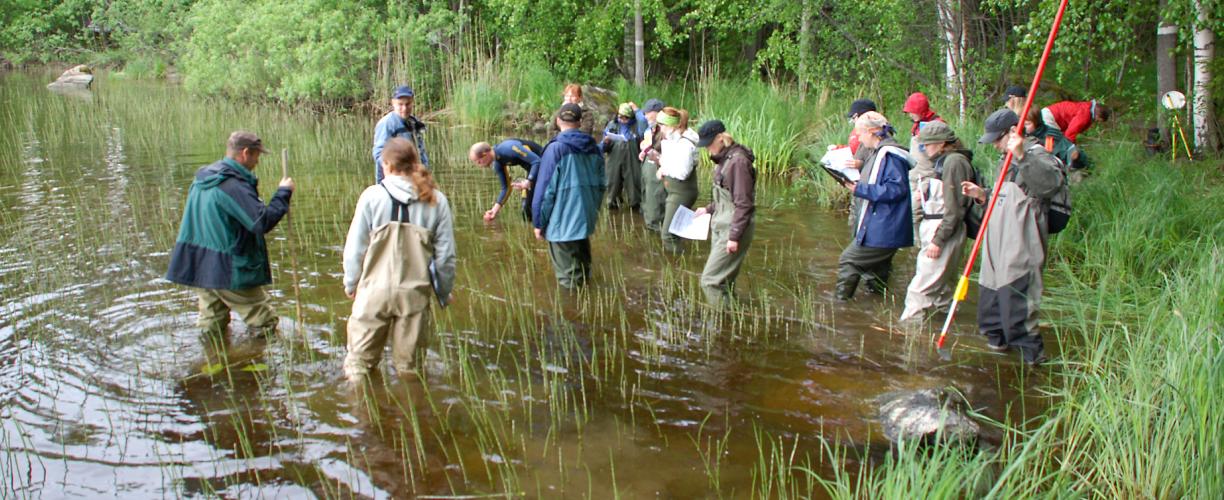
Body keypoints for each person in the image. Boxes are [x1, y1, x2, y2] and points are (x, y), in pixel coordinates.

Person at [343, 137, 455, 380]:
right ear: (415, 162)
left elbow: (354, 248)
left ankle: (362, 414)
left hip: (373, 292)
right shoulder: (436, 200)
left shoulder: (372, 196)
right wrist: (443, 293)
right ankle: (411, 413)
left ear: (386, 165)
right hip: (413, 296)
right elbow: (446, 258)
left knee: (358, 365)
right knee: (410, 370)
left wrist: (351, 283)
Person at [166, 131, 295, 337]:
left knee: (212, 324)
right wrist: (283, 193)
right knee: (264, 321)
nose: (257, 162)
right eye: (256, 156)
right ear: (245, 153)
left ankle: (212, 362)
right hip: (226, 268)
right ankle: (259, 363)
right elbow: (261, 222)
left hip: (201, 265)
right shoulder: (231, 185)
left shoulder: (205, 178)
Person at [960, 109, 1064, 365]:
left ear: (1012, 133)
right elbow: (1002, 197)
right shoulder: (1003, 161)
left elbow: (1050, 184)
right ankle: (998, 355)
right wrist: (982, 194)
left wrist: (1021, 155)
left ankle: (1033, 365)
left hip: (1022, 239)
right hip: (996, 239)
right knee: (991, 308)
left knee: (1017, 306)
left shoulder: (1037, 154)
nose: (995, 144)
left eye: (998, 139)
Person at [899, 122, 975, 322]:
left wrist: (938, 240)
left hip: (942, 230)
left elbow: (955, 208)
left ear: (942, 144)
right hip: (940, 226)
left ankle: (907, 333)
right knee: (943, 289)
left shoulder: (954, 163)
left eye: (926, 145)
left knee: (920, 289)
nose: (923, 150)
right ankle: (944, 325)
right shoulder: (945, 161)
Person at [835, 112, 912, 301]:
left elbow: (896, 189)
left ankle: (840, 307)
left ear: (871, 132)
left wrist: (860, 189)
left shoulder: (890, 155)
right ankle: (878, 308)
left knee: (849, 260)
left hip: (884, 226)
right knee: (877, 271)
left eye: (860, 134)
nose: (859, 139)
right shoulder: (882, 152)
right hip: (885, 224)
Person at [533, 103, 606, 289]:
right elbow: (602, 185)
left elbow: (544, 192)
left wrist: (538, 222)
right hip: (585, 218)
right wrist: (591, 211)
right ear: (580, 122)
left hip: (562, 223)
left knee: (568, 280)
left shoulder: (555, 149)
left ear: (558, 121)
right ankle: (591, 309)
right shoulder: (595, 148)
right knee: (584, 269)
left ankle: (573, 314)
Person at [692, 120, 756, 306]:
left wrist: (734, 237)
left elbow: (744, 204)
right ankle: (733, 321)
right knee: (724, 281)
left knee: (710, 282)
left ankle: (723, 324)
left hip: (732, 228)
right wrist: (708, 209)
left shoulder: (738, 162)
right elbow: (726, 198)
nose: (706, 149)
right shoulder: (725, 159)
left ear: (720, 138)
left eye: (708, 144)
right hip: (722, 224)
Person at [654, 107, 701, 254]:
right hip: (675, 190)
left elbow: (682, 173)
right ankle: (680, 260)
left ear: (672, 126)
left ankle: (679, 267)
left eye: (661, 125)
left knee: (668, 235)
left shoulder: (685, 144)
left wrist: (663, 169)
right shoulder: (673, 138)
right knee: (675, 231)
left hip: (682, 192)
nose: (659, 128)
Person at [901, 91, 946, 237]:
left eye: (912, 112)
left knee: (916, 213)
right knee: (912, 214)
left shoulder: (937, 126)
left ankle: (921, 246)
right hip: (915, 177)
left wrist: (927, 186)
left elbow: (940, 158)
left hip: (926, 178)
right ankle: (916, 246)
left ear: (920, 110)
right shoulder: (917, 126)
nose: (910, 115)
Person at [468, 138, 544, 221]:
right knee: (526, 211)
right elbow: (506, 187)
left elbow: (537, 161)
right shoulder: (498, 163)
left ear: (485, 154)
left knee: (537, 207)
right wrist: (494, 210)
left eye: (479, 162)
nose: (480, 166)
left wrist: (529, 181)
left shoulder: (508, 148)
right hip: (535, 171)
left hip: (546, 164)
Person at [372, 85, 429, 183]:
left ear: (412, 103)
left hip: (415, 179)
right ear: (393, 103)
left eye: (408, 104)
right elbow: (379, 154)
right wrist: (398, 171)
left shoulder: (414, 123)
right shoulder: (386, 124)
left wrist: (425, 174)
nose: (404, 108)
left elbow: (421, 153)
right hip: (393, 182)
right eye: (400, 104)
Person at [602, 103, 647, 210]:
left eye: (626, 117)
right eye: (620, 117)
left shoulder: (638, 126)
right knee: (612, 184)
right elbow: (602, 148)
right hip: (613, 159)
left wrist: (637, 110)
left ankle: (635, 206)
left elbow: (644, 123)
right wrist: (605, 142)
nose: (622, 120)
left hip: (632, 159)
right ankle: (613, 205)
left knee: (634, 184)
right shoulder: (612, 125)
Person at [1023, 108, 1089, 170]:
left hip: (1070, 160)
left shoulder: (1048, 136)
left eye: (1027, 124)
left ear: (1037, 123)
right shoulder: (1041, 131)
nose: (1025, 127)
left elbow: (1049, 157)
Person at [638, 98, 667, 231]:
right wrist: (643, 149)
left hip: (658, 167)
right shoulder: (650, 128)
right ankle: (649, 222)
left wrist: (650, 150)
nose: (645, 116)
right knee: (647, 195)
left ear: (657, 112)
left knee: (656, 197)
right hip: (647, 164)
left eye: (647, 113)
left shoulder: (665, 129)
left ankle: (656, 227)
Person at [1040, 99, 1111, 143]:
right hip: (1051, 117)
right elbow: (1070, 134)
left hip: (1049, 114)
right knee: (1052, 145)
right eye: (1099, 120)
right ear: (1099, 115)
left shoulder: (1086, 108)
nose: (1097, 122)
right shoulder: (1085, 115)